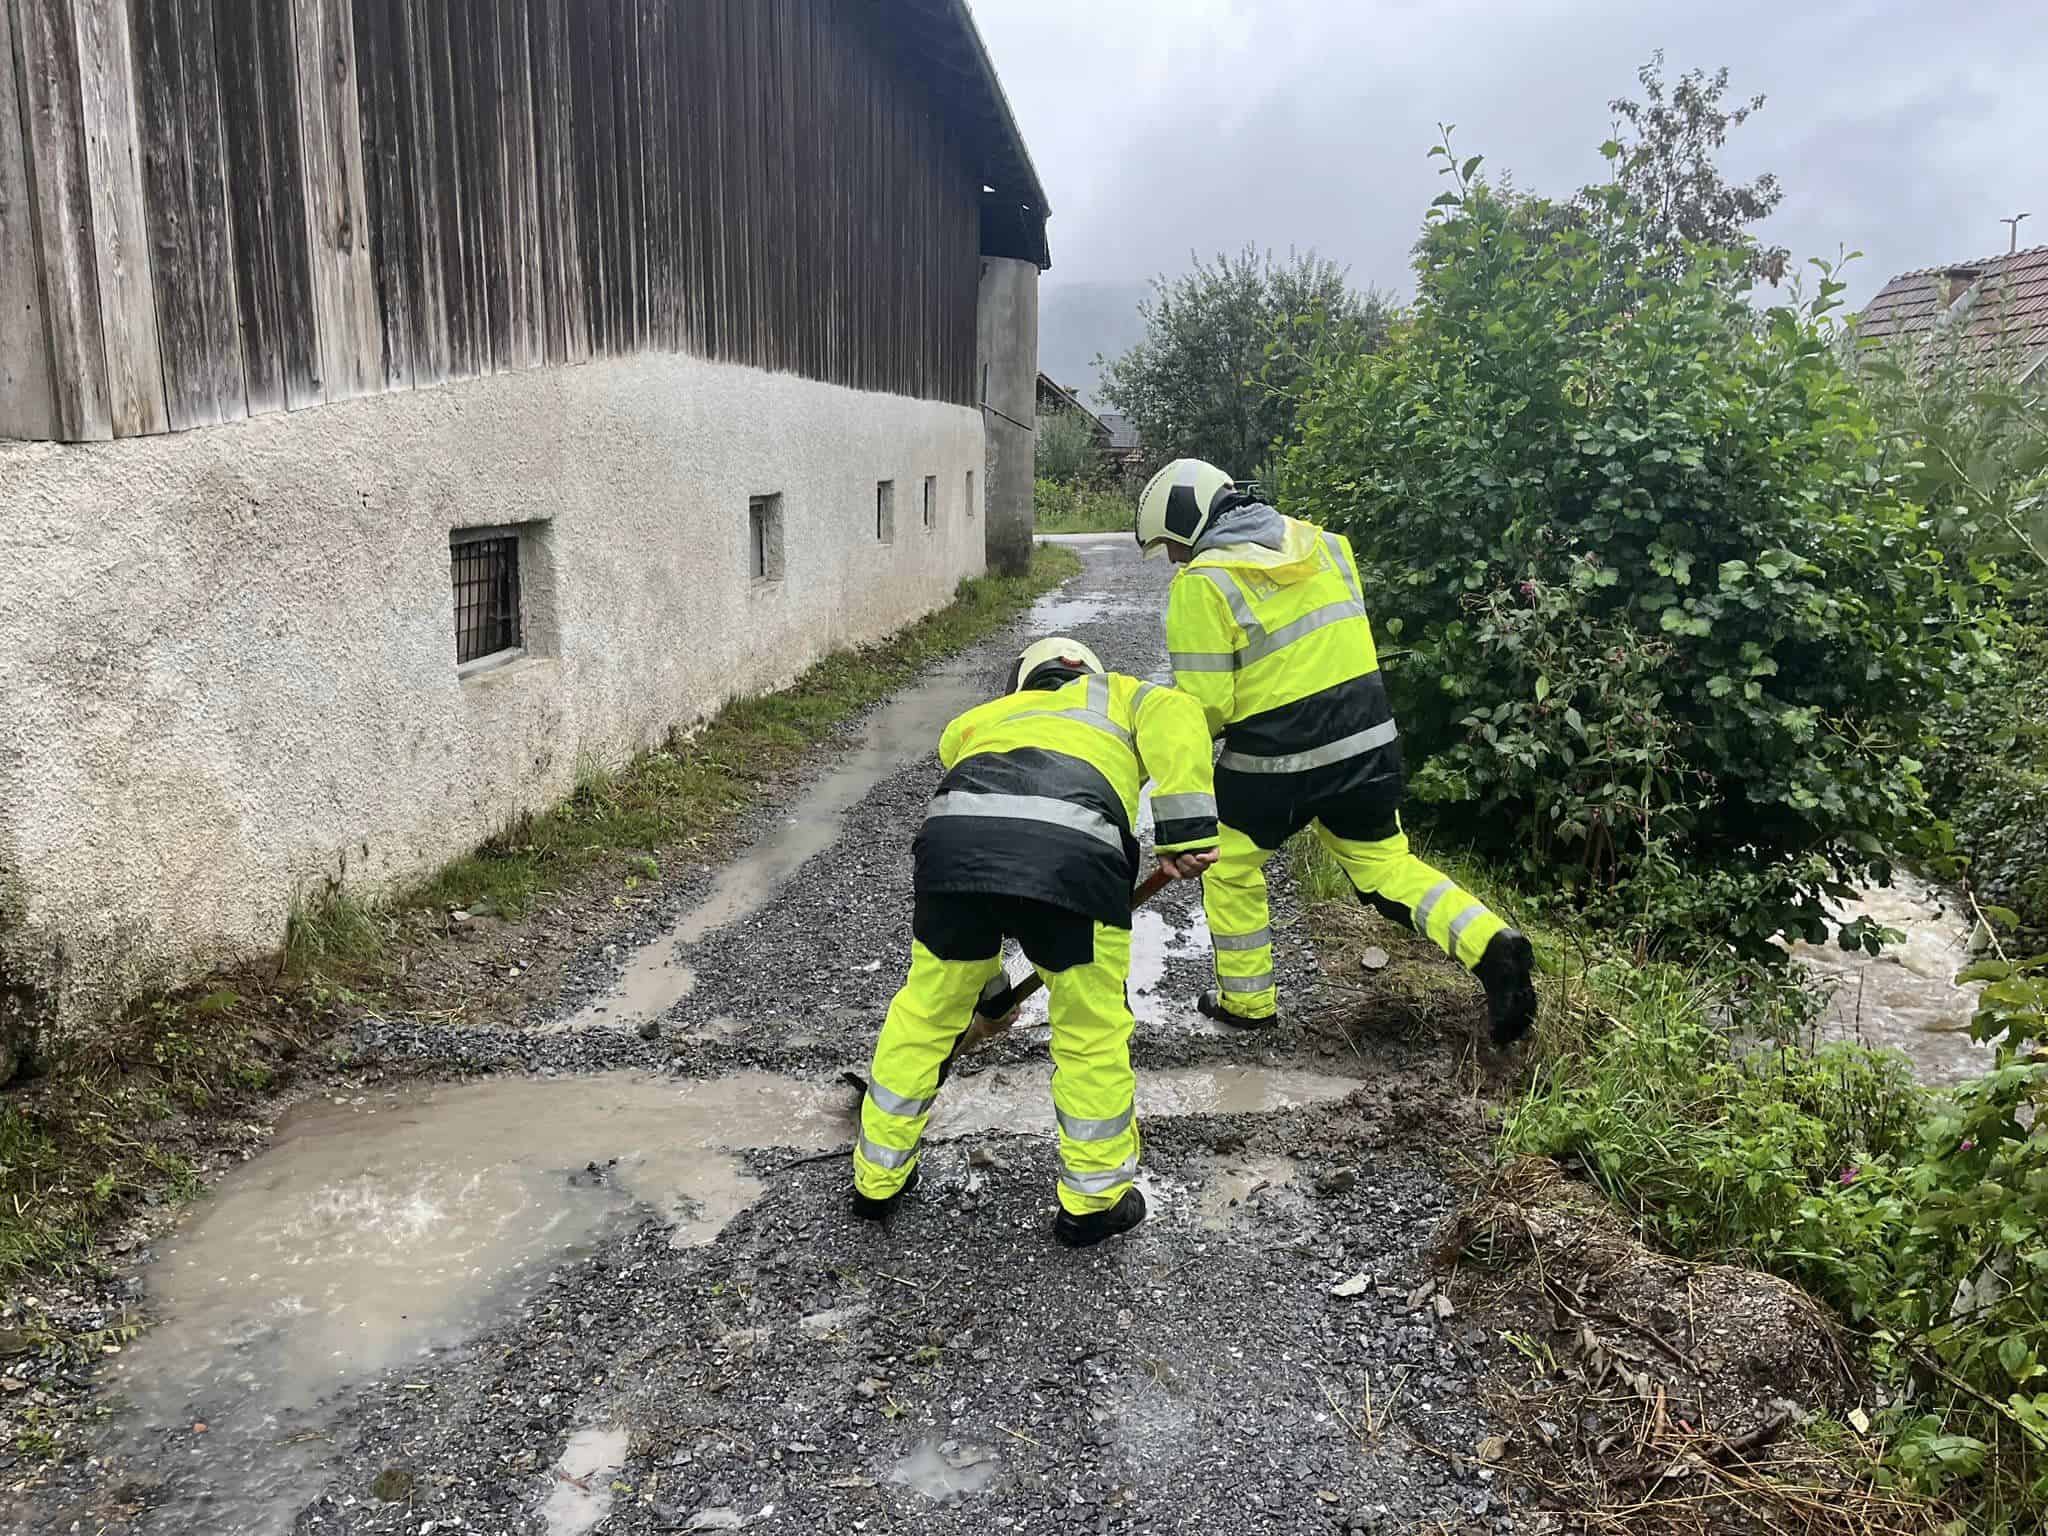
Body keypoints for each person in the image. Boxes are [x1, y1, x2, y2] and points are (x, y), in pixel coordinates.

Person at [1136, 459, 1537, 1044]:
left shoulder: (1202, 583)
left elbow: (1206, 708)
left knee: (1228, 863)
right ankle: (1494, 947)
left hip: (1277, 763)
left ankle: (1248, 1003)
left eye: (1171, 544)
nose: (1174, 558)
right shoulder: (1327, 545)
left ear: (1188, 520)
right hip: (1367, 744)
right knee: (1385, 867)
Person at [851, 637, 1220, 1247]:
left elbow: (994, 842)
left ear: (1021, 681)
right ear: (1087, 671)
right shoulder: (1119, 695)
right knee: (1088, 1030)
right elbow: (1179, 712)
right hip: (1073, 856)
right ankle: (1093, 1202)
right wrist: (1186, 831)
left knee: (927, 1012)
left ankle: (876, 1180)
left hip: (951, 848)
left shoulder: (976, 721)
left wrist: (988, 991)